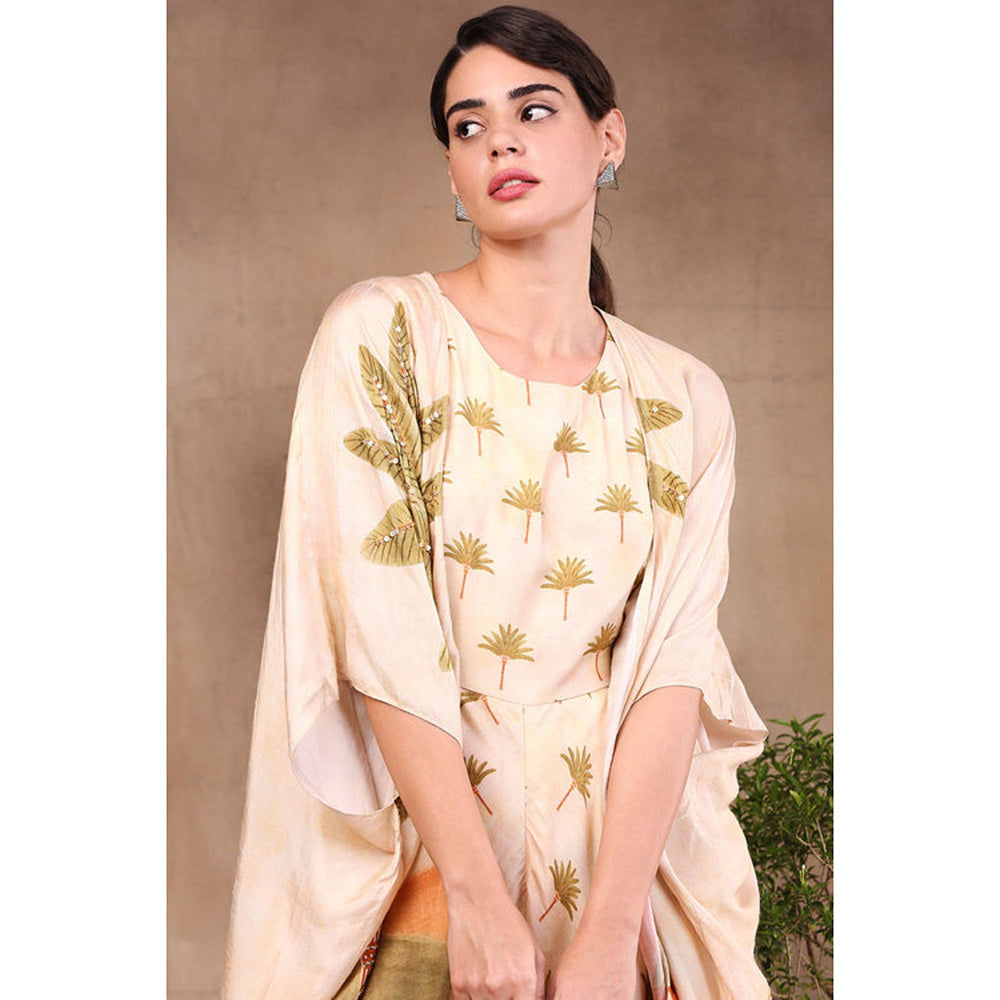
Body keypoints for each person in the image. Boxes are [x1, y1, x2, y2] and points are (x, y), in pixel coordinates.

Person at [220, 6, 771, 1000]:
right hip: (426, 855)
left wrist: (611, 928)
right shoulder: (383, 335)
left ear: (609, 138)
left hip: (626, 873)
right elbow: (380, 632)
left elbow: (670, 667)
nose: (499, 141)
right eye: (468, 125)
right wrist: (474, 897)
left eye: (534, 109)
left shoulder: (682, 396)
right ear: (452, 171)